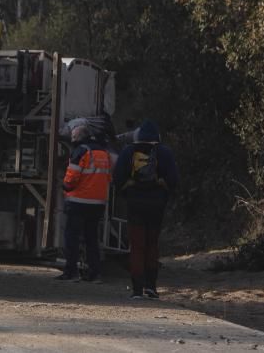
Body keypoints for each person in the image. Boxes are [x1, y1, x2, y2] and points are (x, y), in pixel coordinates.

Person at [113, 119, 179, 299]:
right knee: (152, 245)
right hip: (157, 205)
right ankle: (151, 287)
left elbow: (117, 178)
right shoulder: (164, 152)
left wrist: (129, 193)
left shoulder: (129, 152)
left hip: (135, 204)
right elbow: (173, 179)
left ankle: (136, 290)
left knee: (137, 246)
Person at [55, 122, 113, 282]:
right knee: (92, 239)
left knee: (72, 237)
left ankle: (71, 271)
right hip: (98, 204)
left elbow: (72, 178)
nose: (72, 140)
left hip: (78, 202)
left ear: (78, 138)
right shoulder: (104, 153)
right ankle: (95, 273)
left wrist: (64, 186)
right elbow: (108, 177)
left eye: (73, 137)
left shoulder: (80, 152)